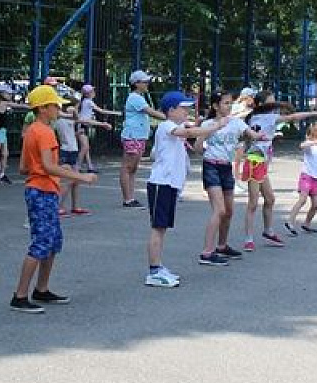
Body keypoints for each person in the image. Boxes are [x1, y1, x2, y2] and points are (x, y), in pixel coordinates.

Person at [11, 84, 97, 313]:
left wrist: (55, 168)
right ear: (43, 108)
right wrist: (80, 176)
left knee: (51, 241)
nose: (59, 108)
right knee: (41, 242)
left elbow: (23, 167)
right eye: (55, 105)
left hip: (40, 189)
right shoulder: (45, 132)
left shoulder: (31, 130)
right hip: (43, 191)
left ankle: (42, 289)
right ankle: (20, 296)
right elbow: (48, 166)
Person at [144, 91, 237, 286]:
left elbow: (191, 129)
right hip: (161, 183)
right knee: (158, 228)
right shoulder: (166, 126)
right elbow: (189, 133)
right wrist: (216, 125)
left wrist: (207, 124)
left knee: (162, 228)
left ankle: (158, 267)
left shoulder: (176, 125)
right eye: (183, 108)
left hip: (170, 185)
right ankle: (154, 271)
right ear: (171, 110)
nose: (187, 111)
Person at [241, 90, 317, 249]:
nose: (273, 106)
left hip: (261, 162)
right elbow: (292, 117)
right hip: (254, 161)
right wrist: (313, 113)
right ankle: (248, 239)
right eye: (270, 103)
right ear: (261, 104)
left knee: (270, 199)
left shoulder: (253, 117)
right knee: (253, 203)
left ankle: (268, 232)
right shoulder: (268, 117)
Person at [198, 93, 257, 266]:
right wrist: (204, 143)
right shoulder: (208, 124)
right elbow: (197, 147)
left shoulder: (236, 122)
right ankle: (206, 253)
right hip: (211, 167)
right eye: (225, 103)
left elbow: (251, 134)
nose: (229, 106)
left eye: (231, 103)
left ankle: (221, 246)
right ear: (216, 106)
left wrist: (261, 136)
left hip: (225, 168)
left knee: (229, 210)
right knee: (220, 210)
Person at [120, 70, 166, 207]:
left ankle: (130, 197)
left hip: (138, 136)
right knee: (128, 167)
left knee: (132, 168)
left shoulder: (139, 97)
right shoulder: (135, 98)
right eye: (144, 82)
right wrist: (169, 117)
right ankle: (127, 199)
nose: (147, 84)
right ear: (136, 83)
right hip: (133, 136)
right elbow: (151, 113)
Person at [284, 121, 317, 236]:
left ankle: (306, 224)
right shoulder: (310, 147)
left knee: (316, 204)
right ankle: (290, 222)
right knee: (303, 199)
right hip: (307, 176)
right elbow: (302, 146)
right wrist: (314, 142)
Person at [0, 82, 31, 185]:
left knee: (5, 153)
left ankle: (2, 175)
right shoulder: (3, 103)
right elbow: (17, 105)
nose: (10, 95)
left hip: (1, 131)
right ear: (2, 94)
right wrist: (30, 107)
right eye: (8, 93)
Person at [75, 83, 122, 173]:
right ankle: (77, 167)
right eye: (92, 91)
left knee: (86, 147)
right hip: (82, 125)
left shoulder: (85, 101)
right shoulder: (88, 102)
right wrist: (116, 113)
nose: (94, 92)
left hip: (83, 125)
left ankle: (90, 167)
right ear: (88, 93)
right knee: (85, 147)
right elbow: (101, 111)